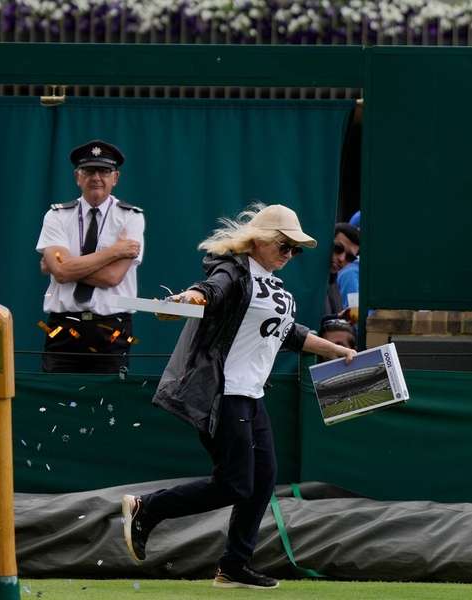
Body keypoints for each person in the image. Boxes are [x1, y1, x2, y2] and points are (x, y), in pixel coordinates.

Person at [120, 204, 356, 589]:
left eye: (295, 250)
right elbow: (210, 291)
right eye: (284, 245)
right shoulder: (234, 270)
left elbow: (290, 334)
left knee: (262, 481)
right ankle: (148, 509)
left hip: (250, 395)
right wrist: (188, 301)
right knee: (235, 484)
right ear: (260, 240)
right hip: (223, 393)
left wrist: (340, 352)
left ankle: (233, 565)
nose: (289, 254)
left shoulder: (272, 283)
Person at [36, 139, 145, 373]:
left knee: (109, 405)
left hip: (111, 329)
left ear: (115, 178)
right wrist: (114, 251)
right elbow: (62, 272)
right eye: (89, 170)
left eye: (104, 171)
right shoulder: (56, 216)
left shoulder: (131, 217)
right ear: (78, 177)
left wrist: (62, 267)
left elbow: (112, 277)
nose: (96, 177)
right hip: (63, 327)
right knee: (55, 403)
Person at [325, 222, 359, 316]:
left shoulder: (333, 281)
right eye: (338, 248)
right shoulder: (350, 274)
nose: (342, 259)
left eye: (349, 257)